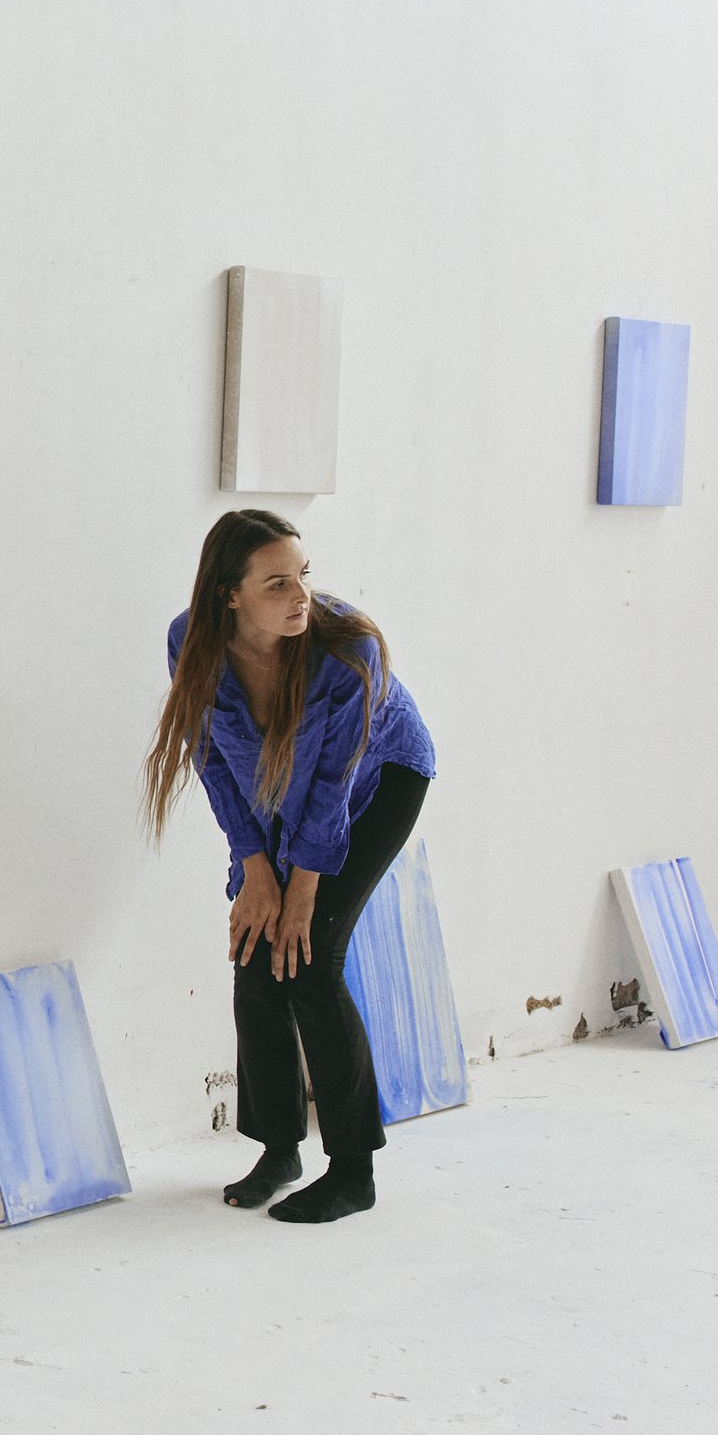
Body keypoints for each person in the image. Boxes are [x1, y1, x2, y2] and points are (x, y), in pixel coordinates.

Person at [144, 509, 437, 1223]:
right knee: (255, 951)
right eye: (277, 583)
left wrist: (302, 888)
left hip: (380, 781)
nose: (301, 595)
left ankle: (354, 1171)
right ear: (229, 595)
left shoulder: (348, 651)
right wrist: (254, 868)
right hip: (279, 791)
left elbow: (333, 786)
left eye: (303, 575)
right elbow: (214, 761)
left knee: (309, 958)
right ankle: (280, 1149)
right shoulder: (191, 641)